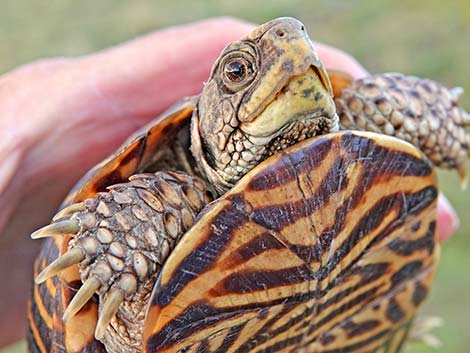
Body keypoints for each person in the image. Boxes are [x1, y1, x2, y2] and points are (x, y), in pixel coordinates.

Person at [0, 17, 459, 348]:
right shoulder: (162, 198)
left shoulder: (359, 116)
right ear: (210, 122)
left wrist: (442, 121)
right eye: (240, 72)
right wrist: (108, 251)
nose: (292, 48)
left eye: (303, 47)